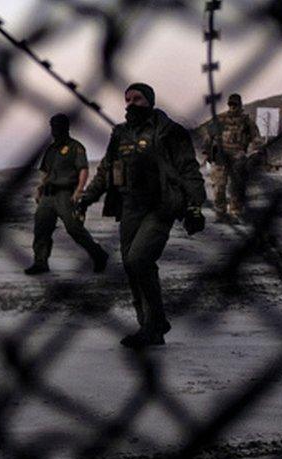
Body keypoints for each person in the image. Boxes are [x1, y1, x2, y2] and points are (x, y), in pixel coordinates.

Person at [77, 83, 206, 349]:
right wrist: (85, 200)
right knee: (131, 265)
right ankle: (150, 327)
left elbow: (189, 169)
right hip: (129, 207)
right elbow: (104, 171)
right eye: (127, 99)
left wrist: (195, 205)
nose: (130, 104)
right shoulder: (120, 134)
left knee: (139, 259)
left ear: (150, 101)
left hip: (160, 207)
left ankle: (154, 322)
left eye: (137, 98)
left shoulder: (170, 132)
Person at [24, 113, 109, 275]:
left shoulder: (75, 147)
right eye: (52, 126)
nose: (54, 129)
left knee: (74, 228)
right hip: (48, 196)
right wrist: (39, 189)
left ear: (66, 127)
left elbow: (83, 169)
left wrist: (79, 190)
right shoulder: (50, 150)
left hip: (66, 194)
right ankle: (40, 262)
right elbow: (46, 173)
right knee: (41, 228)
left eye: (57, 125)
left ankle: (99, 255)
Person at [202, 93, 262, 223]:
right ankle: (220, 213)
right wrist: (208, 154)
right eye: (231, 104)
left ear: (240, 105)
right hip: (221, 159)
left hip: (238, 158)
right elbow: (209, 137)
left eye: (235, 104)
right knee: (218, 187)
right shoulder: (221, 119)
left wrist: (252, 154)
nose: (233, 107)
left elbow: (256, 139)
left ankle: (235, 212)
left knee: (236, 187)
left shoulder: (247, 121)